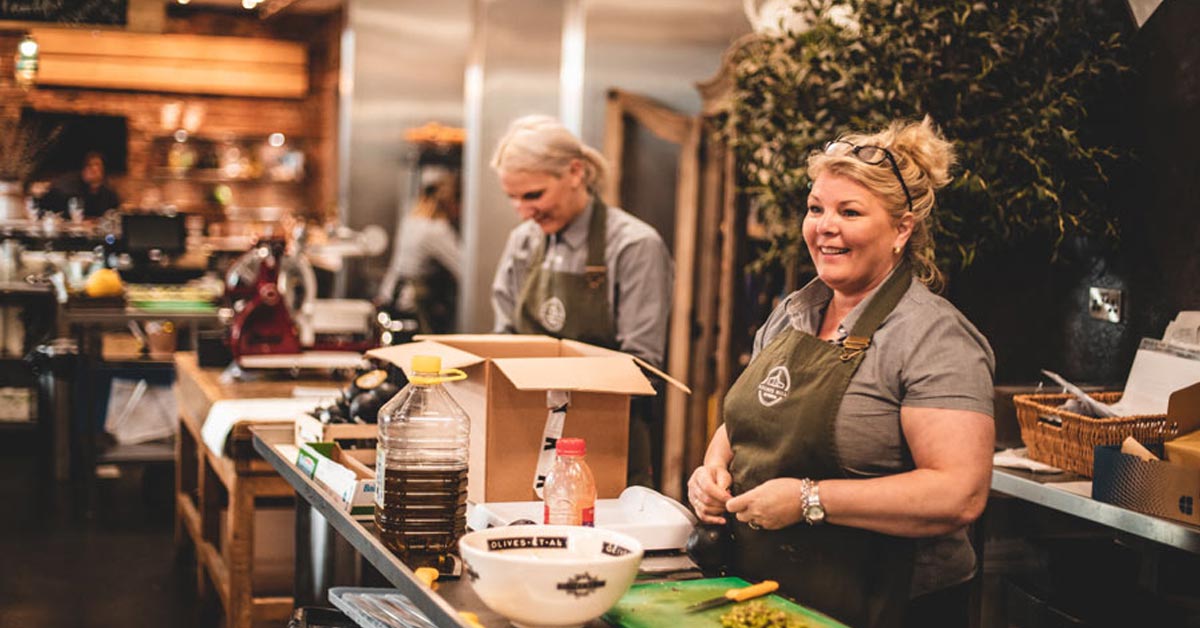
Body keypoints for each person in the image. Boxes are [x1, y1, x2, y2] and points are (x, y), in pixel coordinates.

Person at [687, 118, 995, 628]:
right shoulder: (792, 312)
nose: (824, 226)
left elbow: (959, 493)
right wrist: (712, 469)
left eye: (849, 212)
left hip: (887, 606)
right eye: (816, 208)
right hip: (766, 593)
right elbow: (751, 418)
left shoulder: (933, 337)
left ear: (902, 229)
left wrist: (809, 500)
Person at [490, 115, 673, 487]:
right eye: (513, 198)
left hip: (605, 447)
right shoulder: (523, 243)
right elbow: (503, 340)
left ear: (575, 172)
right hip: (521, 440)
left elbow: (643, 367)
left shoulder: (634, 246)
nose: (524, 211)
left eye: (534, 195)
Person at [377, 171, 462, 333]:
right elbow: (465, 268)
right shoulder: (435, 230)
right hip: (412, 304)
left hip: (392, 294)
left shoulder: (411, 219)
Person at [39, 151, 121, 219]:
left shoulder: (109, 195)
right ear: (83, 170)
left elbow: (113, 217)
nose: (93, 169)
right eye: (89, 165)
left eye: (97, 165)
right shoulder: (69, 190)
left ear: (103, 170)